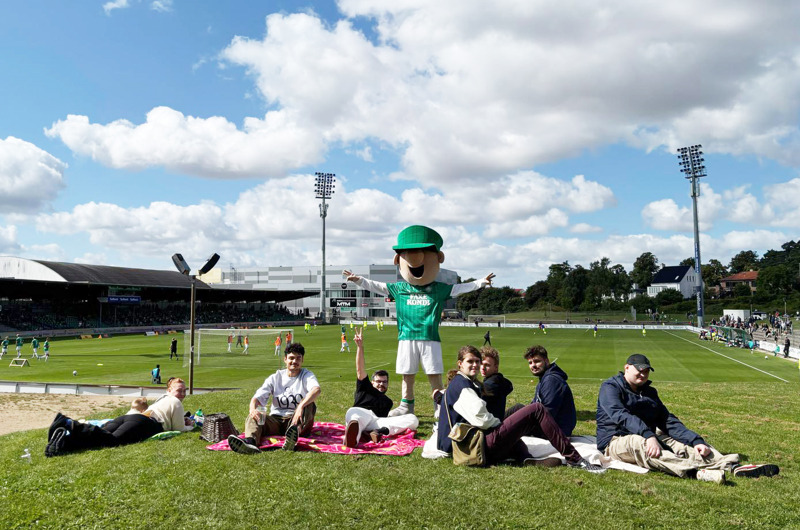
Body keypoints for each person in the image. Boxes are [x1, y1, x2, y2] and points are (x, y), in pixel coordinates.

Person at [344, 225, 494, 417]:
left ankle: (440, 407)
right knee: (408, 375)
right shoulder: (399, 288)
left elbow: (460, 288)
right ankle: (407, 405)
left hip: (430, 337)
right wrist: (359, 280)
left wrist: (481, 282)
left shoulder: (438, 288)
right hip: (406, 337)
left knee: (434, 376)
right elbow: (377, 286)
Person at [597, 354, 779, 483]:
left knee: (684, 445)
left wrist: (696, 441)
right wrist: (648, 436)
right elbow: (620, 415)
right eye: (639, 370)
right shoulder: (610, 387)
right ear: (627, 368)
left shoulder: (650, 392)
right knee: (641, 444)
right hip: (615, 440)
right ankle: (695, 473)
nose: (643, 375)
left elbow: (667, 420)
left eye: (646, 371)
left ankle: (732, 466)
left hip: (649, 435)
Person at [436, 345, 604, 472]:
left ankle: (527, 459)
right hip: (470, 447)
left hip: (467, 444)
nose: (475, 365)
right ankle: (575, 459)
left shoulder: (461, 383)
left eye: (477, 361)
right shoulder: (463, 386)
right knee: (536, 409)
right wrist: (501, 425)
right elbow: (482, 419)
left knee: (522, 415)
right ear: (460, 364)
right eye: (470, 362)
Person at [45, 378, 194, 457]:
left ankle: (63, 443)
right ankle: (69, 423)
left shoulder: (162, 398)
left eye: (184, 391)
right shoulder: (176, 402)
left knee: (99, 438)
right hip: (145, 423)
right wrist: (190, 426)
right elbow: (179, 429)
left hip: (132, 418)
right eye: (179, 391)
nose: (182, 394)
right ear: (170, 390)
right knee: (113, 441)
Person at [228, 343, 320, 454]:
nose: (294, 362)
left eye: (298, 358)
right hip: (276, 420)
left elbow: (316, 390)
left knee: (309, 404)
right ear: (285, 359)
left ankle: (293, 437)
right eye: (291, 358)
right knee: (255, 415)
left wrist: (300, 407)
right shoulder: (276, 377)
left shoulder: (306, 375)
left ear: (302, 360)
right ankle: (250, 443)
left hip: (296, 420)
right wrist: (252, 409)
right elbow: (257, 398)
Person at [344, 328, 419, 447]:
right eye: (378, 381)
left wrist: (382, 426)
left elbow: (384, 420)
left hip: (376, 422)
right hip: (360, 413)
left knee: (413, 419)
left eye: (384, 382)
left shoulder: (387, 402)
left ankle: (377, 433)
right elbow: (360, 369)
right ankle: (352, 440)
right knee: (354, 415)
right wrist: (360, 346)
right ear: (372, 382)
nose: (381, 384)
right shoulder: (365, 387)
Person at [524, 345, 576, 438]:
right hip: (549, 429)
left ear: (546, 361)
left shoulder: (551, 380)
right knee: (518, 412)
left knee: (516, 411)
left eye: (537, 361)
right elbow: (534, 406)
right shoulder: (545, 378)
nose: (533, 365)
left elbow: (547, 413)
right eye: (530, 362)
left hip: (555, 433)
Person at [479, 346, 512, 420]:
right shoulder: (499, 380)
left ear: (496, 367)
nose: (482, 367)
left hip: (491, 427)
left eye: (487, 365)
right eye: (481, 363)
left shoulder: (492, 384)